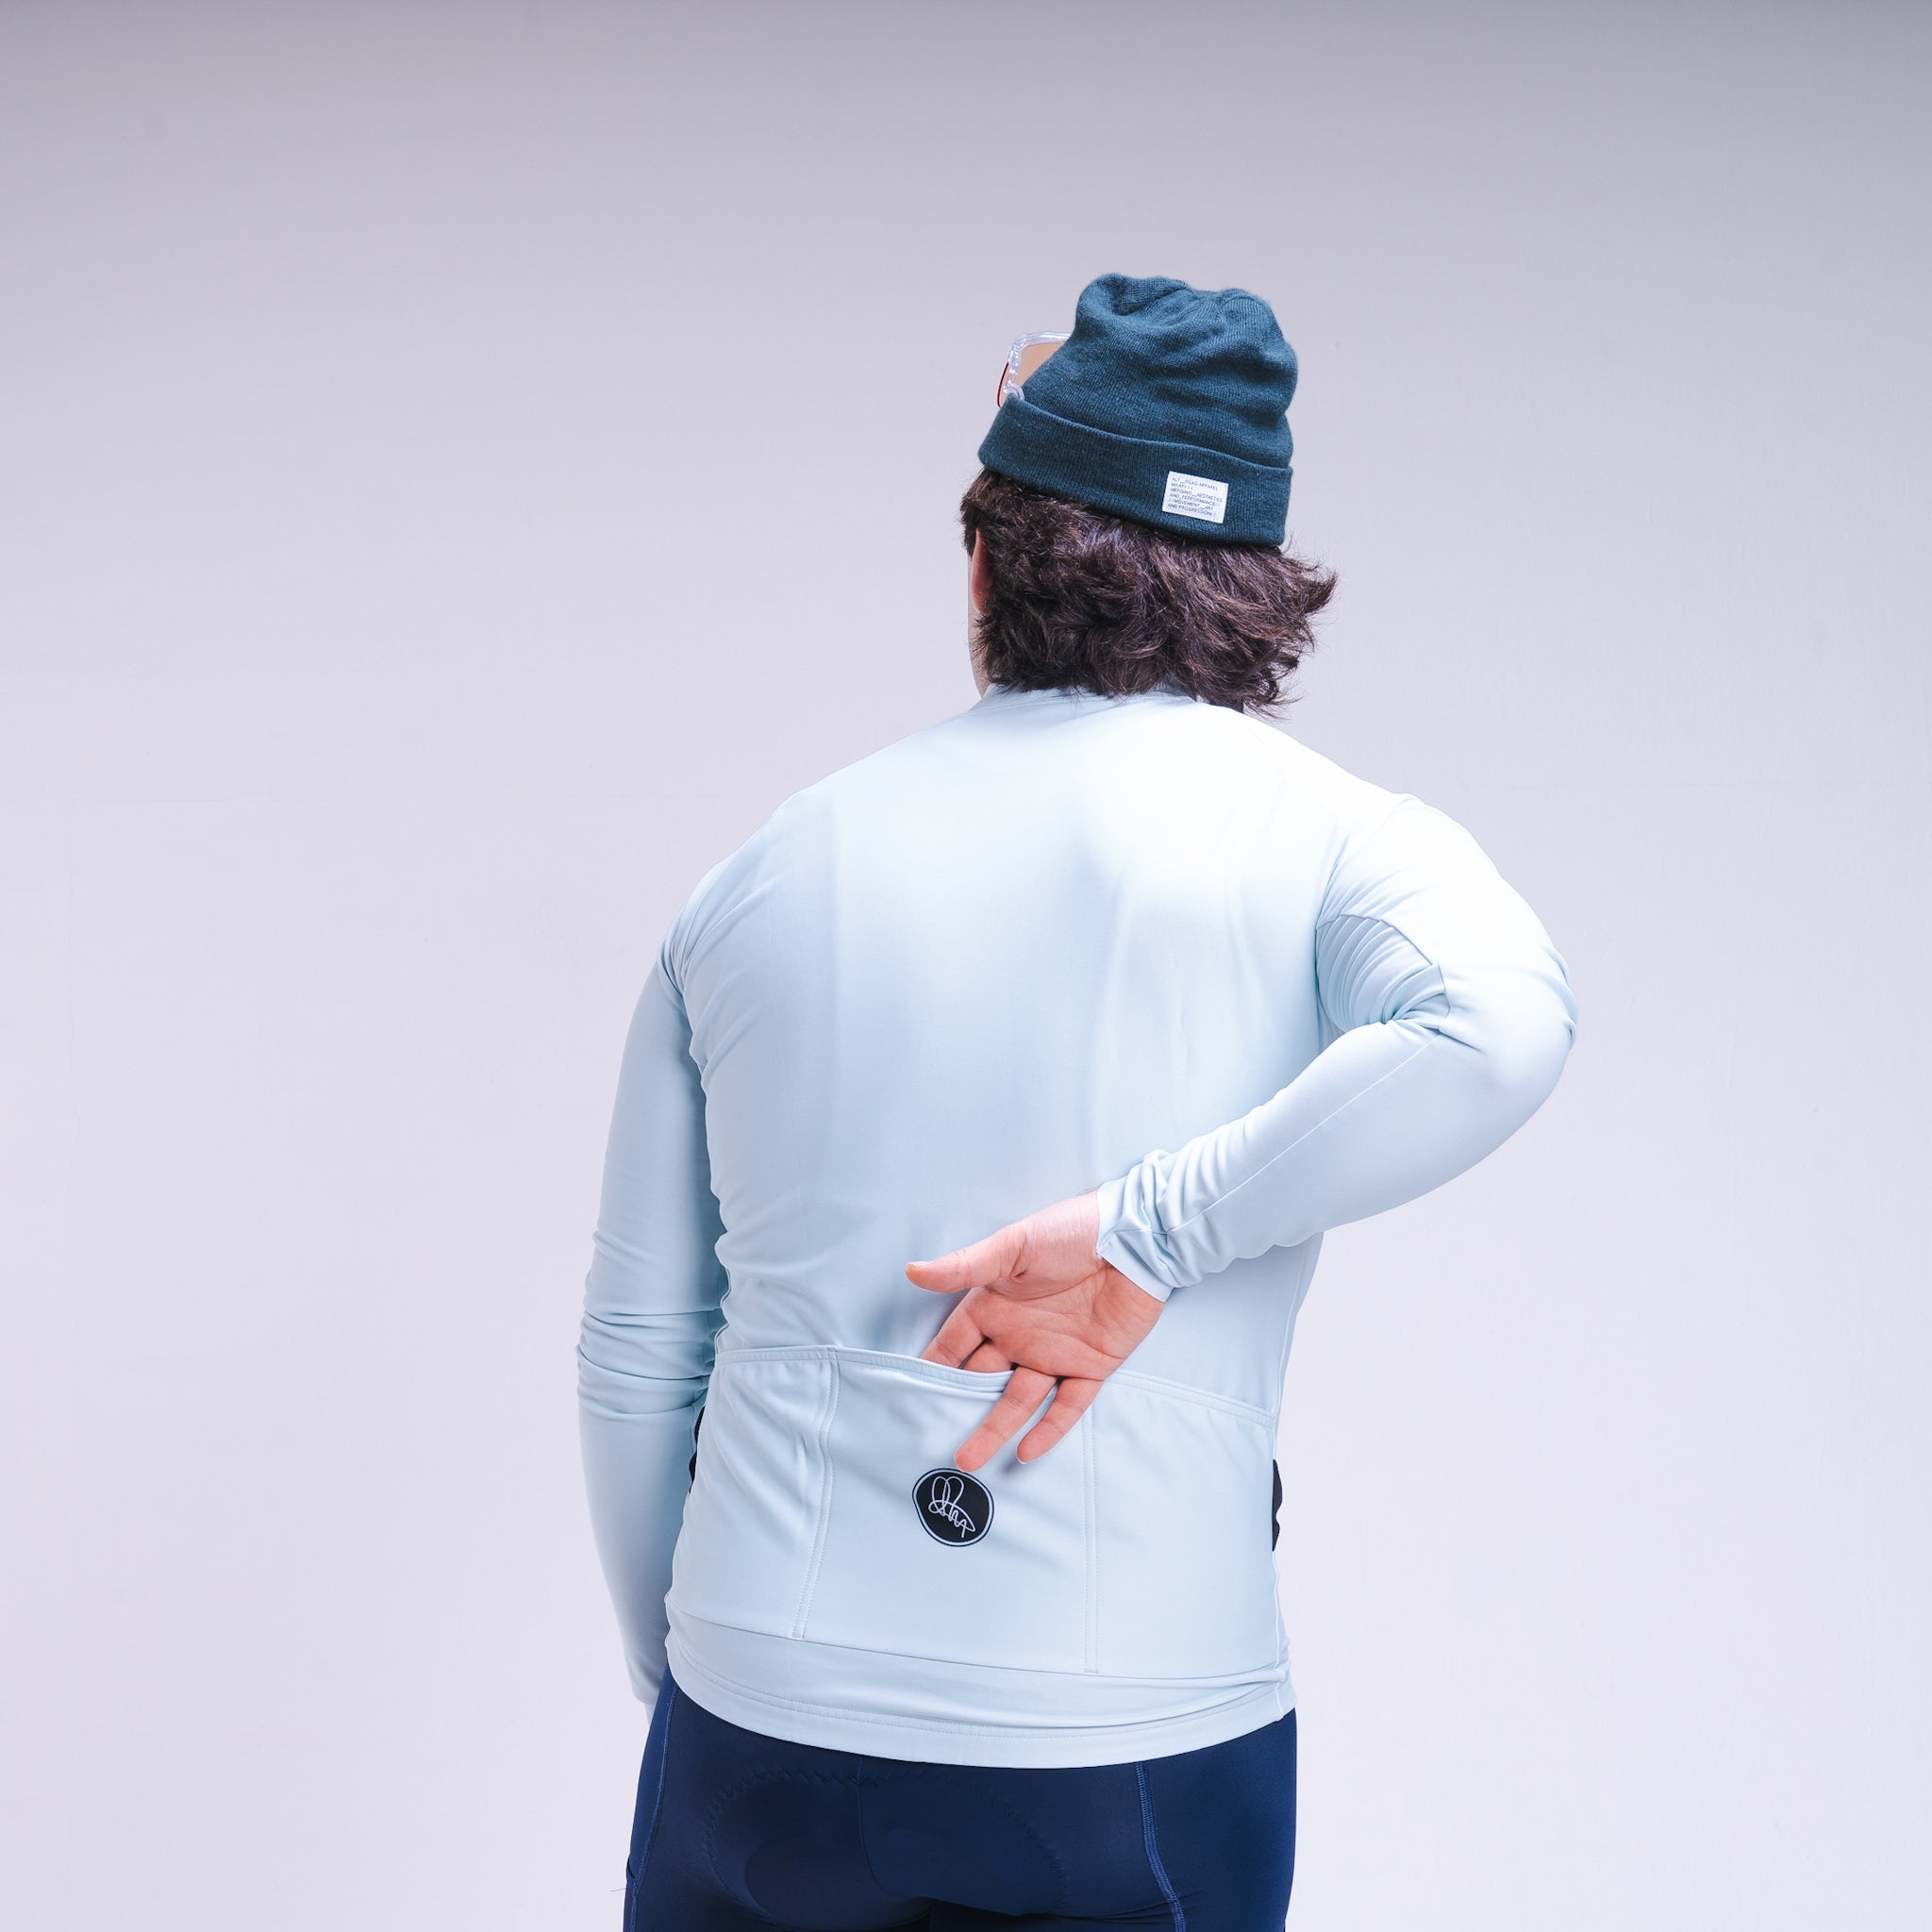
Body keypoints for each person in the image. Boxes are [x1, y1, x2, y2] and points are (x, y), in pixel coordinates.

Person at [578, 274, 1577, 1930]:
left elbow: (638, 1345)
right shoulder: (1337, 841)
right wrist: (1152, 1232)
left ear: (984, 565)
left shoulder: (763, 871)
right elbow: (1501, 1022)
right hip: (1137, 1732)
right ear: (1258, 593)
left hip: (761, 1713)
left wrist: (685, 1666)